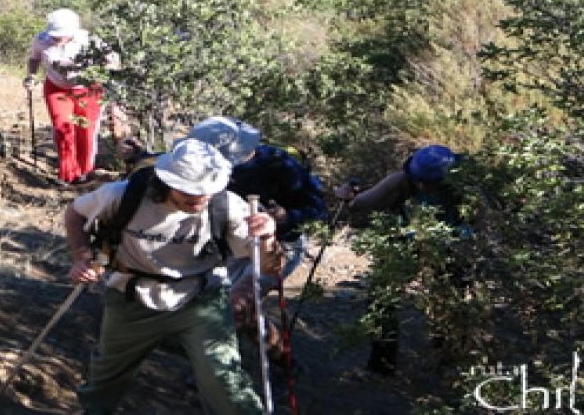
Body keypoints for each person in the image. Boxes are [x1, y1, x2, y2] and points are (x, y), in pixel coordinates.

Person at [64, 138, 281, 415]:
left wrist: (268, 238)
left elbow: (270, 267)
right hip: (130, 298)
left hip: (201, 301)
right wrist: (82, 255)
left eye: (206, 190)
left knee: (225, 381)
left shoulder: (228, 206)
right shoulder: (123, 195)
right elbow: (75, 213)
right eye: (189, 191)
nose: (199, 198)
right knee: (105, 377)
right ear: (167, 181)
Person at [186, 116, 328, 364]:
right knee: (234, 307)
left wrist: (286, 217)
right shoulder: (206, 167)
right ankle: (282, 359)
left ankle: (216, 370)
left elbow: (318, 210)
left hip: (279, 246)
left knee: (236, 305)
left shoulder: (279, 165)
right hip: (233, 244)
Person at [334, 144, 464, 375]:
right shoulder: (401, 181)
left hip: (454, 245)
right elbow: (362, 204)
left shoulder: (467, 186)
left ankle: (447, 355)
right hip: (406, 243)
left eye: (429, 183)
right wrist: (348, 198)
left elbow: (486, 220)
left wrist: (463, 240)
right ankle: (382, 364)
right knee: (382, 298)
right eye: (419, 180)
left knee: (452, 298)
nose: (423, 186)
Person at [25, 8, 119, 185]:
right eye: (55, 36)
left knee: (86, 131)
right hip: (56, 88)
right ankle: (68, 175)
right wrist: (31, 76)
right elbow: (34, 58)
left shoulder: (89, 41)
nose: (58, 39)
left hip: (88, 90)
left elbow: (113, 60)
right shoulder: (41, 40)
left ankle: (85, 173)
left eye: (62, 36)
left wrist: (106, 69)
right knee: (62, 128)